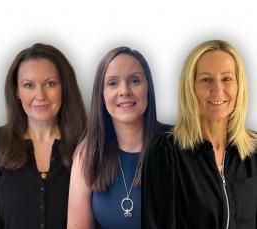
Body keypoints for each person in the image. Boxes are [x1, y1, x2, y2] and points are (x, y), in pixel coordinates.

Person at [142, 40, 257, 229]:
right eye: (206, 79)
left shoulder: (253, 150)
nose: (217, 90)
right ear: (191, 87)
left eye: (227, 78)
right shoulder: (166, 151)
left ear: (239, 86)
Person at [0, 43, 87, 229]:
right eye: (28, 85)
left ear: (64, 88)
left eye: (50, 84)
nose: (40, 95)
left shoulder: (87, 143)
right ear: (17, 92)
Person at [67, 47, 172, 229]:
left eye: (134, 80)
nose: (124, 91)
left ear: (148, 88)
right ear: (101, 94)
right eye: (113, 83)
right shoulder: (87, 154)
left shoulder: (177, 145)